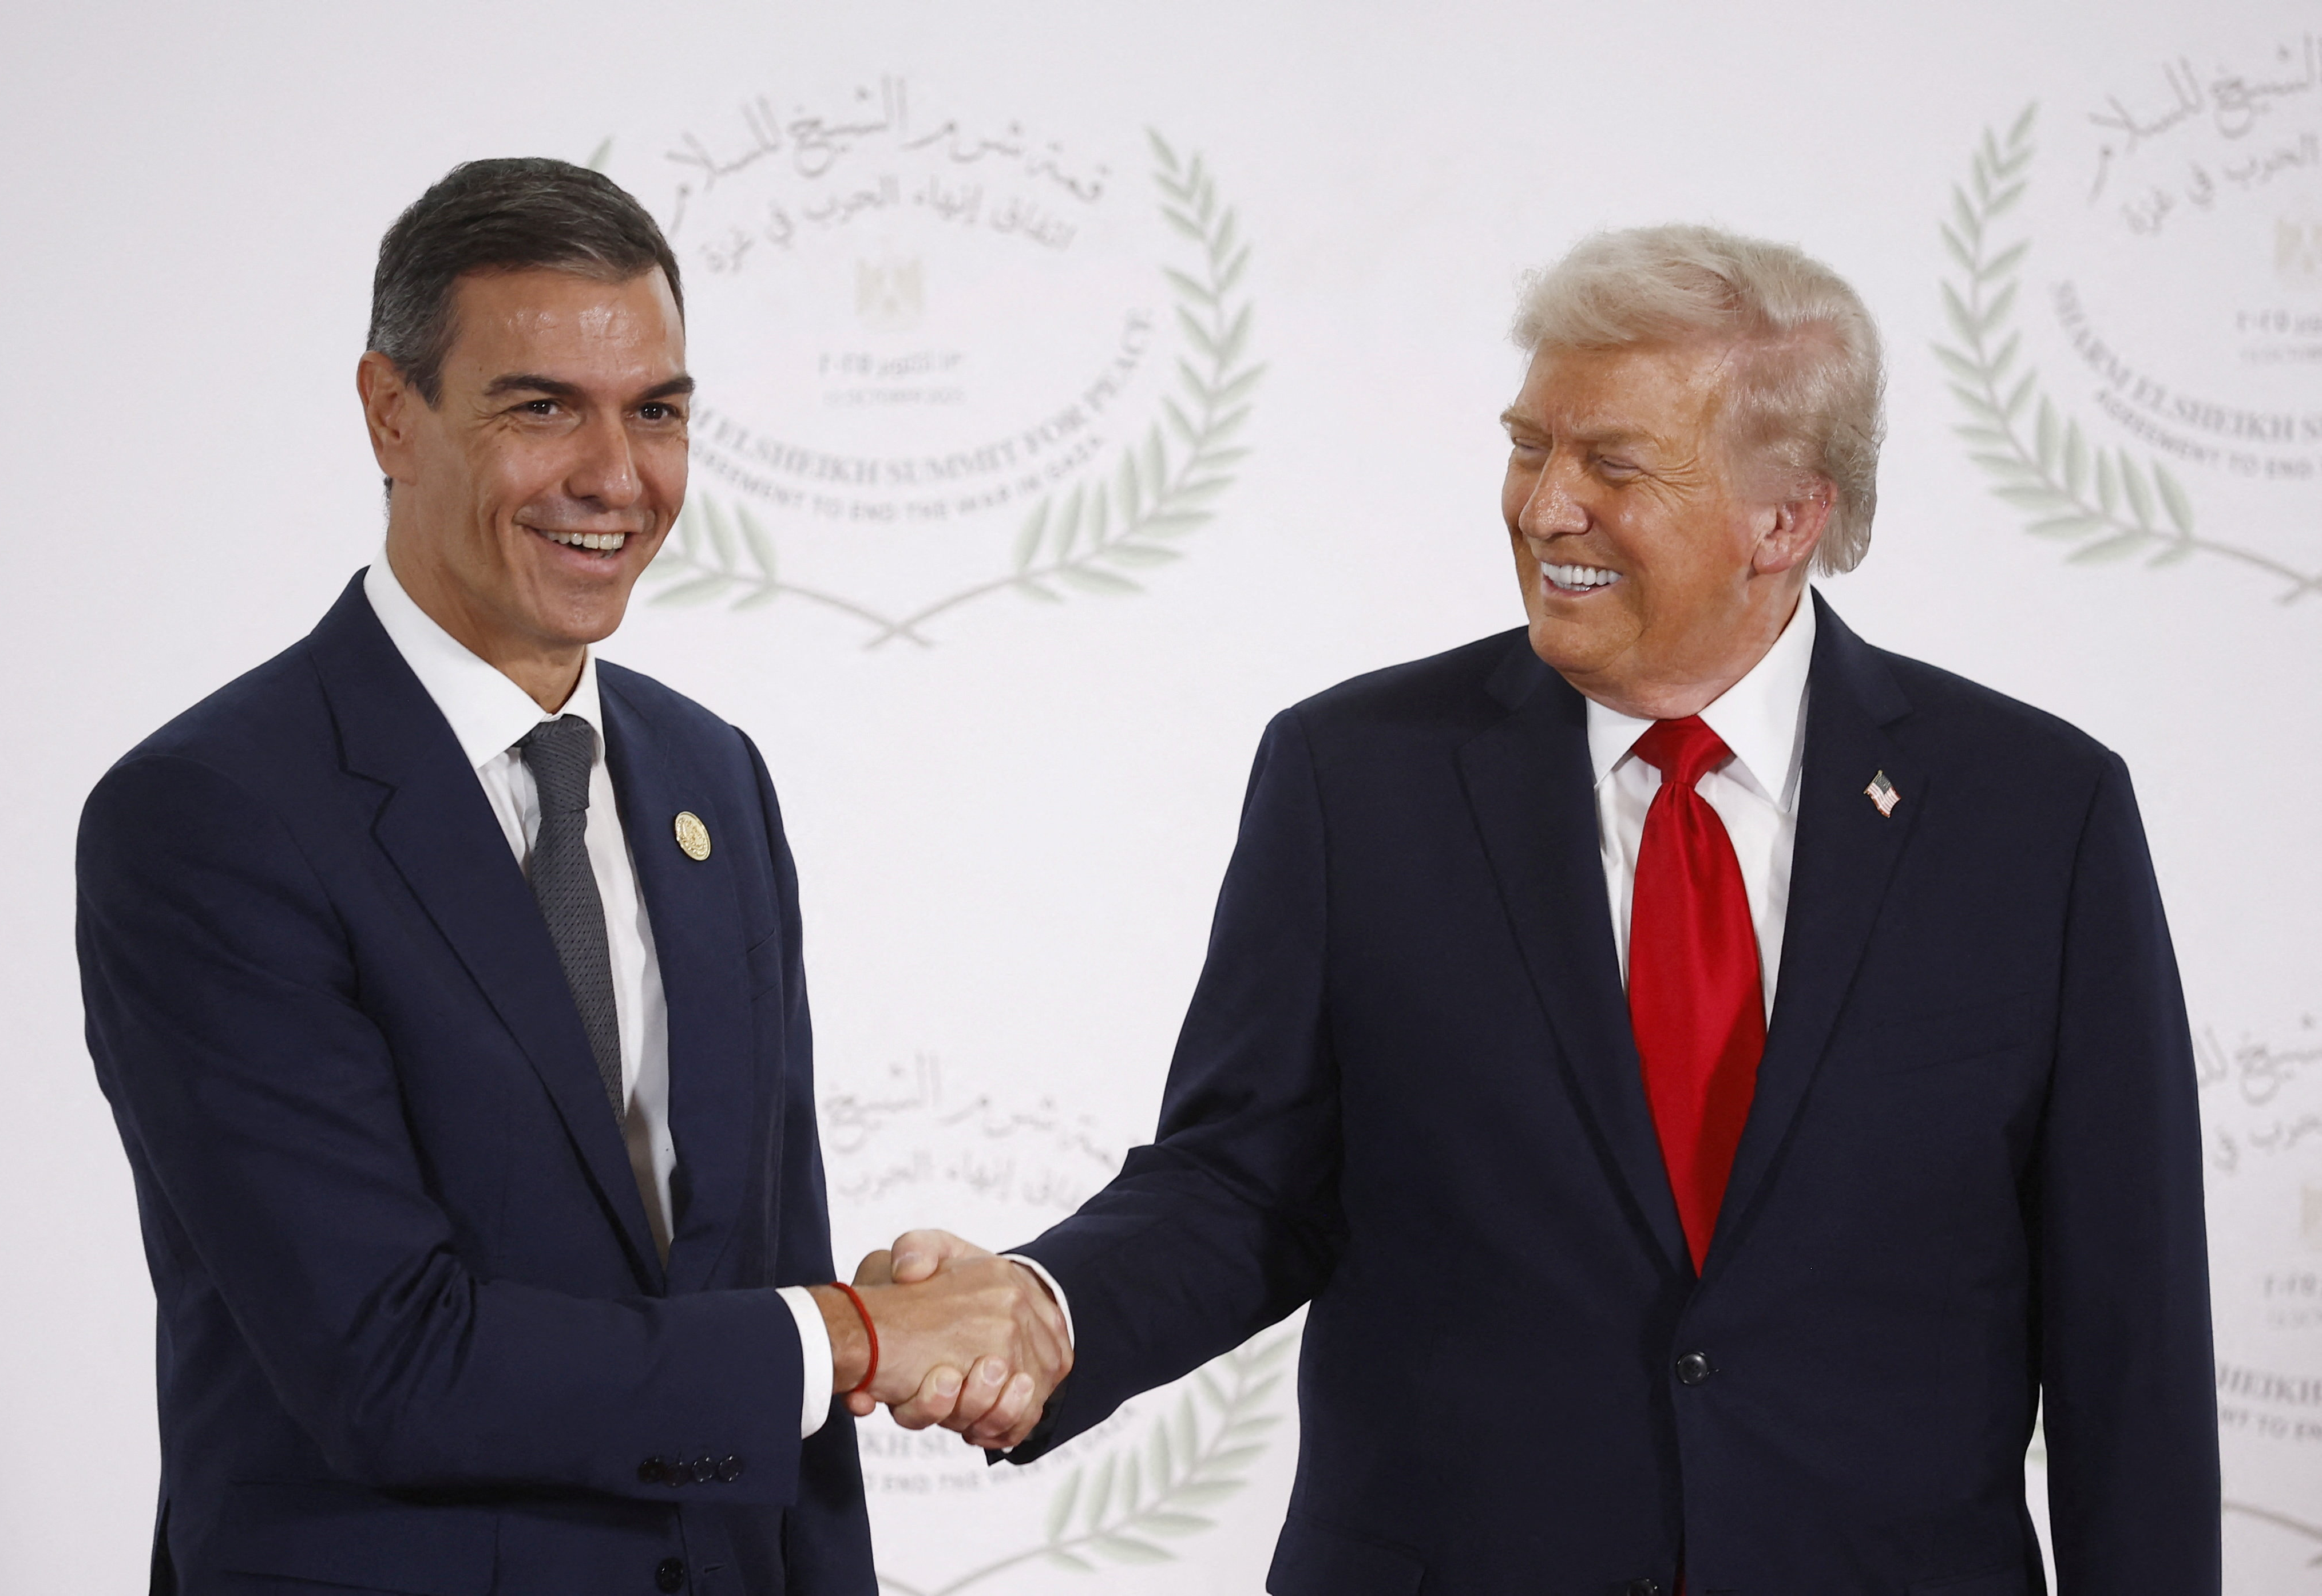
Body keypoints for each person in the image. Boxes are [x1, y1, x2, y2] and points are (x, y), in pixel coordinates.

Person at [873, 225, 2221, 1594]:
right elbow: (1243, 1183)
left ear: (1787, 517)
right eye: (1530, 446)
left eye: (1612, 465)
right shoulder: (1355, 778)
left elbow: (2130, 1331)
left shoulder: (2034, 815)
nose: (1542, 506)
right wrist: (1046, 1311)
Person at [76, 157, 1065, 1596]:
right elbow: (391, 1364)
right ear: (389, 413)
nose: (616, 477)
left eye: (655, 412)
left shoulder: (708, 777)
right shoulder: (212, 817)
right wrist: (852, 1336)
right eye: (542, 406)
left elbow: (760, 1284)